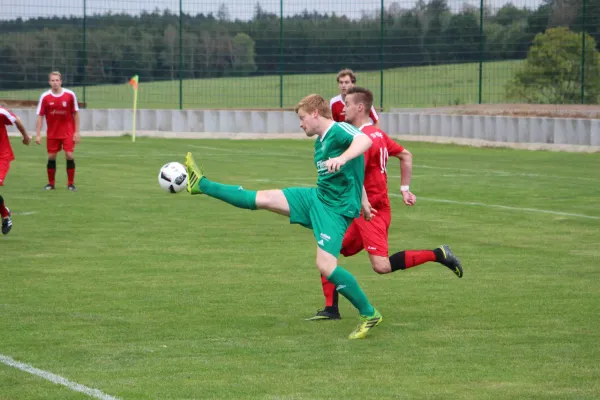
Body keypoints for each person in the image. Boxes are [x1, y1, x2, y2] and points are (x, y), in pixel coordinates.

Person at [184, 94, 383, 339]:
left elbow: (364, 141)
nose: (300, 124)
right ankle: (201, 185)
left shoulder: (339, 129)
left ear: (315, 114)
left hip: (335, 210)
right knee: (264, 198)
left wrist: (342, 160)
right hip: (317, 198)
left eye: (302, 118)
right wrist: (363, 201)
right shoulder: (319, 142)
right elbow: (355, 172)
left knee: (325, 266)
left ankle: (369, 313)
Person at [307, 87, 463, 321]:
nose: (343, 107)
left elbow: (353, 172)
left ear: (360, 107)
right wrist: (405, 189)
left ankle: (438, 254)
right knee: (328, 251)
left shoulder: (361, 140)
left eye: (347, 103)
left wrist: (339, 166)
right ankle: (331, 309)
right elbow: (406, 155)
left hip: (371, 211)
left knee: (381, 266)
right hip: (360, 210)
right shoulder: (377, 135)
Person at [35, 71, 80, 191]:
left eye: (57, 80)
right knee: (51, 157)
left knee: (69, 155)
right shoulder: (45, 97)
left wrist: (76, 132)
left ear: (61, 81)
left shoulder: (70, 95)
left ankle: (71, 184)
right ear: (49, 82)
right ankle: (51, 184)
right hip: (53, 133)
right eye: (53, 80)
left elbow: (76, 113)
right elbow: (40, 116)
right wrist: (38, 134)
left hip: (68, 132)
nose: (55, 83)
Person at [0, 106, 32, 234]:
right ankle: (5, 213)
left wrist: (26, 137)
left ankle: (5, 214)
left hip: (1, 156)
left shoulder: (1, 112)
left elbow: (16, 120)